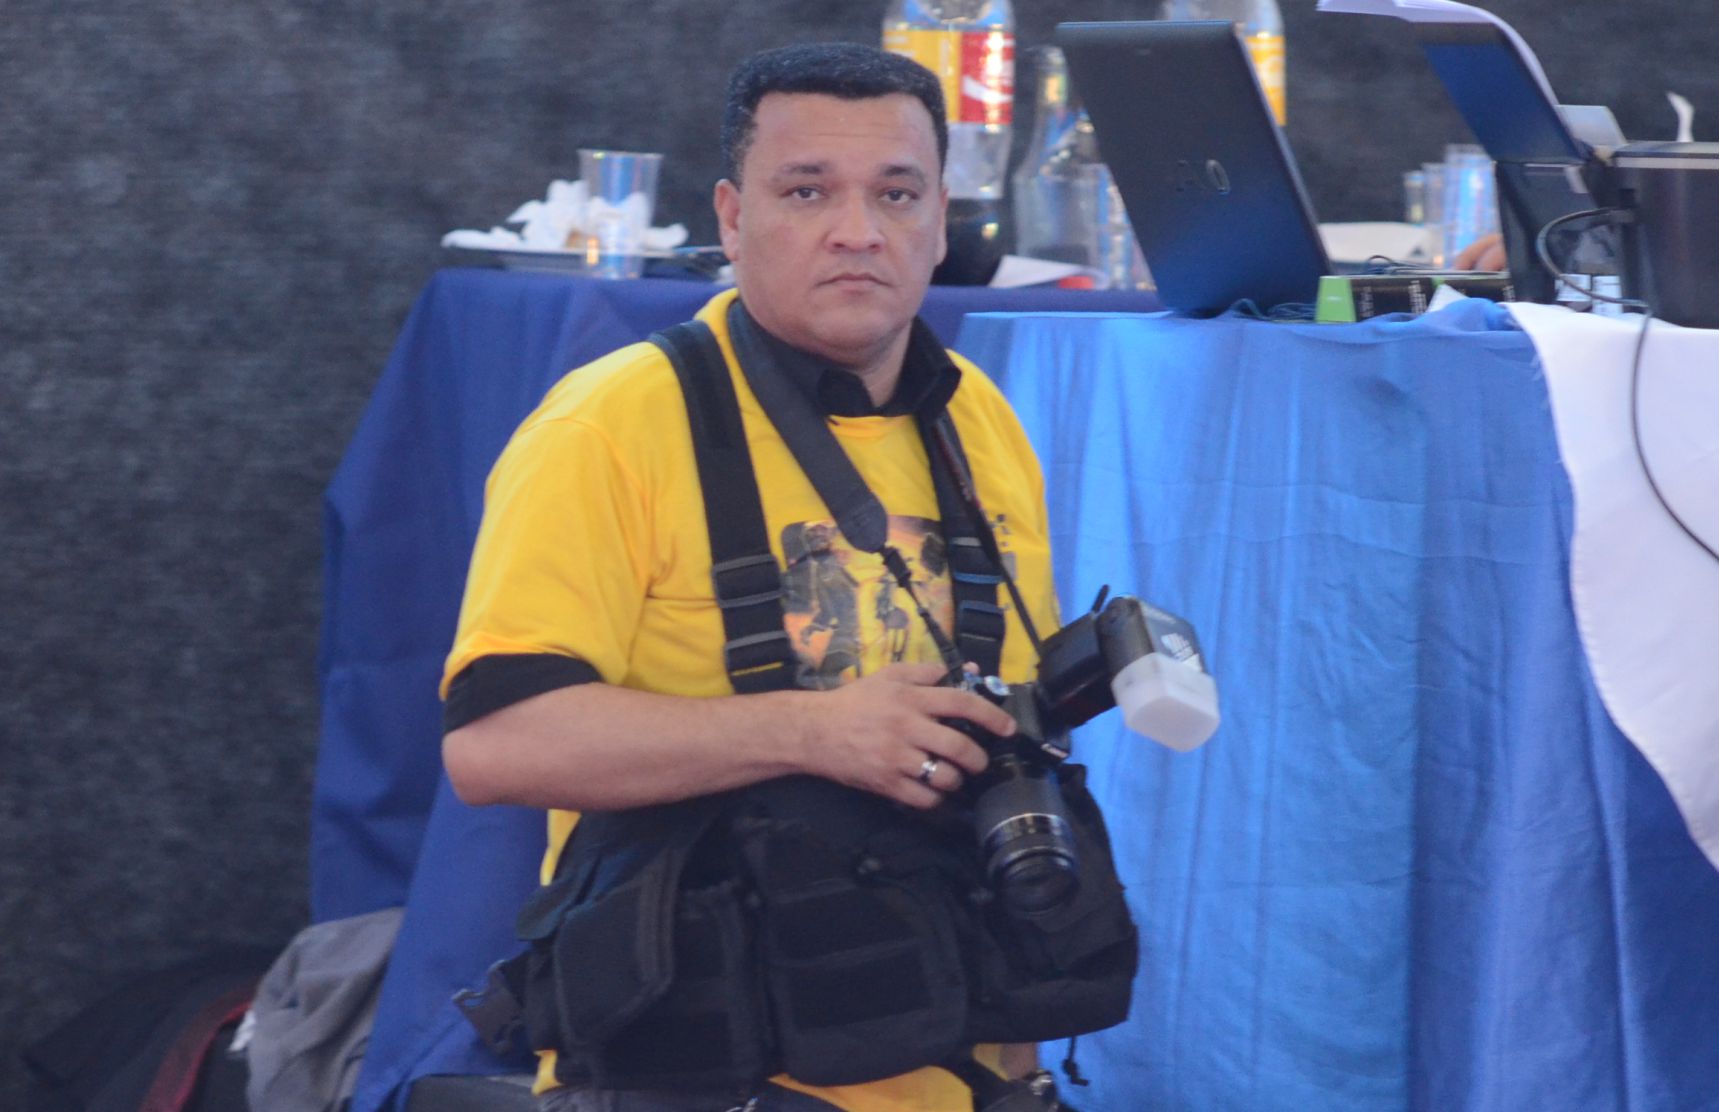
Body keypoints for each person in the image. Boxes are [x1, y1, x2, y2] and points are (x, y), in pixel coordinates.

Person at [441, 42, 1071, 1112]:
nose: (858, 230)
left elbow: (1013, 747)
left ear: (941, 222)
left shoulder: (978, 419)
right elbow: (496, 745)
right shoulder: (605, 426)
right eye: (807, 191)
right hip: (698, 1070)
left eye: (897, 193)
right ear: (732, 219)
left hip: (957, 1064)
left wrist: (1024, 1068)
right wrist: (811, 732)